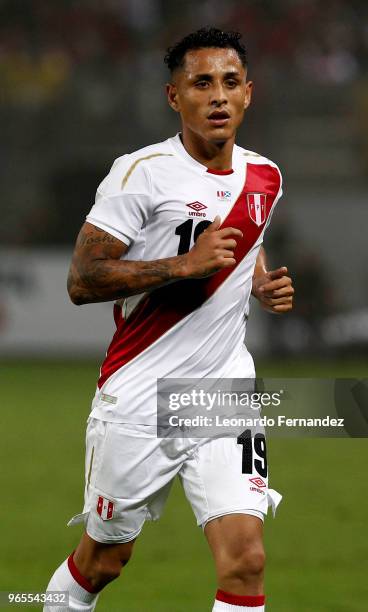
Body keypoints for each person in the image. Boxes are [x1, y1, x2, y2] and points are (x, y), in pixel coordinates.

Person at [44, 27, 294, 612]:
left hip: (224, 389)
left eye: (230, 83)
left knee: (247, 559)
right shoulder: (140, 173)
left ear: (249, 94)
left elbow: (245, 234)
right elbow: (83, 280)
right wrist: (186, 264)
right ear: (173, 96)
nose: (217, 97)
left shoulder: (266, 176)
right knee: (104, 561)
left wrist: (258, 280)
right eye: (201, 83)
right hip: (140, 394)